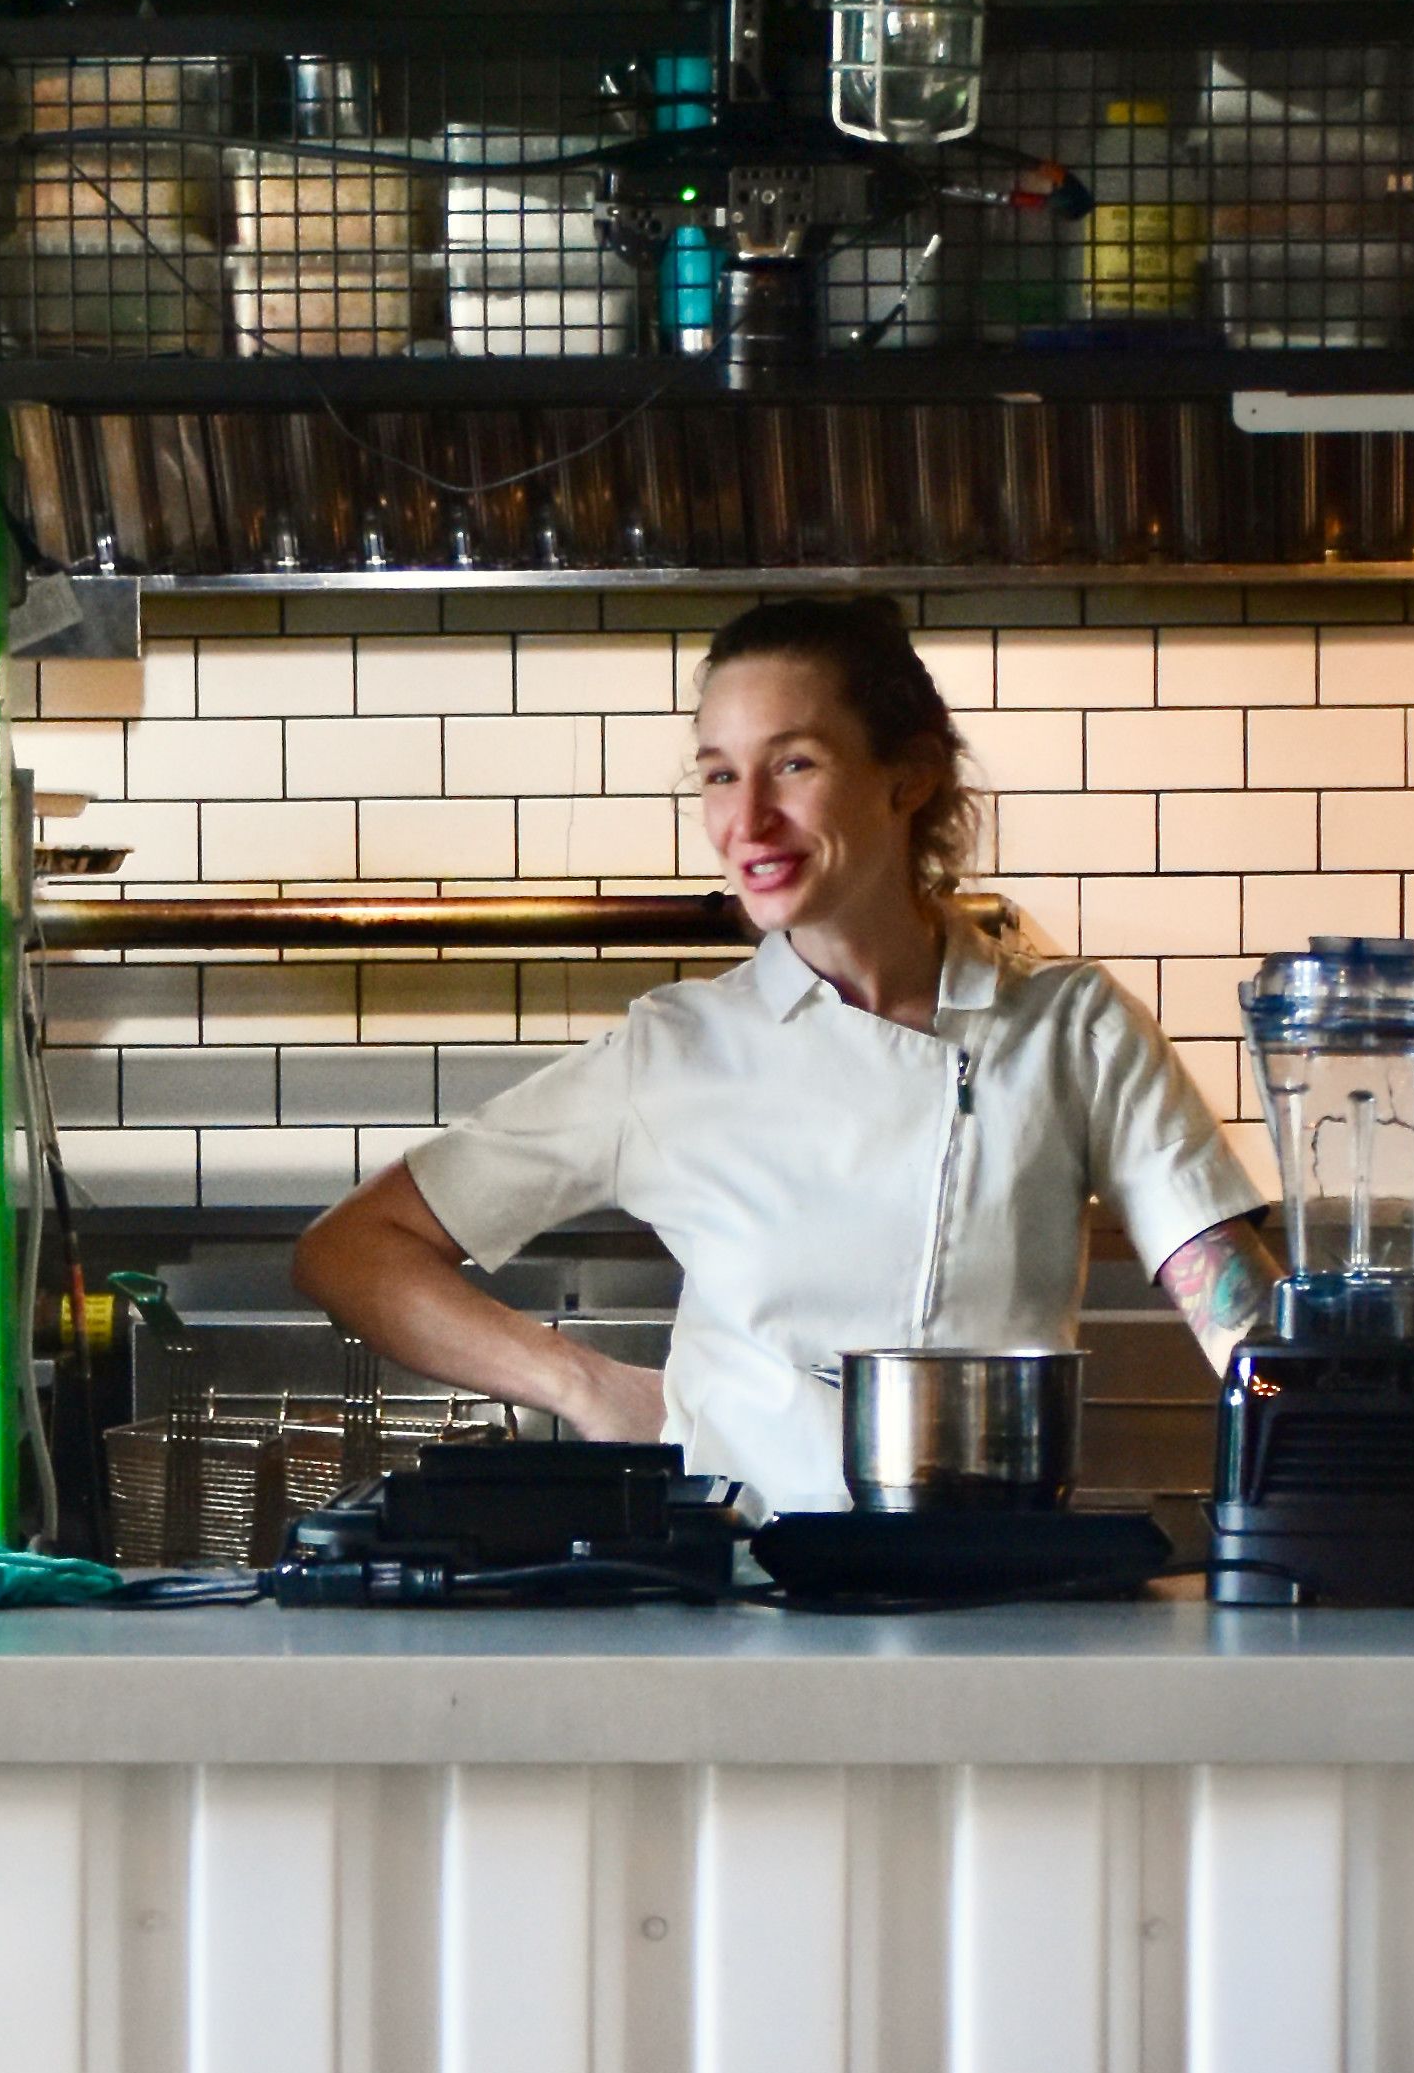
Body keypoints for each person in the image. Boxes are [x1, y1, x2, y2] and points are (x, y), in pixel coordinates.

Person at [292, 593, 1270, 1512]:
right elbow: (353, 1250)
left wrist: (1362, 1416)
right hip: (745, 1609)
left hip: (997, 1592)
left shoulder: (1069, 1029)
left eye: (793, 764)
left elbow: (1236, 1315)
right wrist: (582, 1384)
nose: (745, 820)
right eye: (719, 773)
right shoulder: (674, 1053)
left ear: (909, 774)